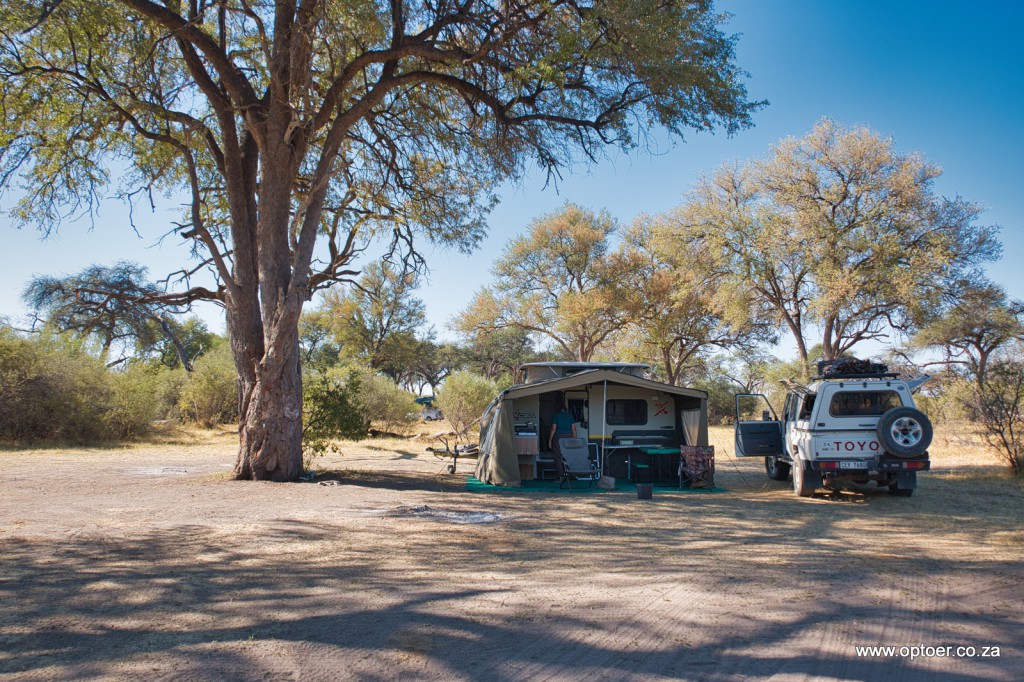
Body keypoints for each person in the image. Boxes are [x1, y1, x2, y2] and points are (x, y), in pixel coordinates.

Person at [548, 403, 577, 476]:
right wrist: (575, 439)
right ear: (565, 409)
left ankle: (560, 475)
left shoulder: (556, 416)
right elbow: (574, 429)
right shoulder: (570, 416)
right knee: (569, 455)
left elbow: (553, 429)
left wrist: (550, 440)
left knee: (558, 456)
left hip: (558, 437)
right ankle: (570, 474)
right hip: (569, 437)